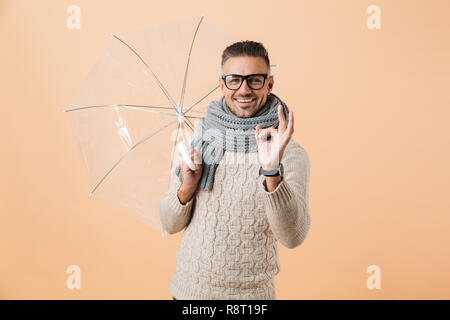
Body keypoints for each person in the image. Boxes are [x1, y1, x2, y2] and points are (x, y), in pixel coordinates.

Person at [158, 40, 311, 300]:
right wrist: (186, 187)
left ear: (269, 83)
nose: (244, 89)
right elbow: (169, 223)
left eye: (254, 80)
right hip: (187, 293)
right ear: (222, 84)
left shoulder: (290, 153)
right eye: (234, 80)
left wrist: (272, 171)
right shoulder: (202, 140)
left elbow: (293, 236)